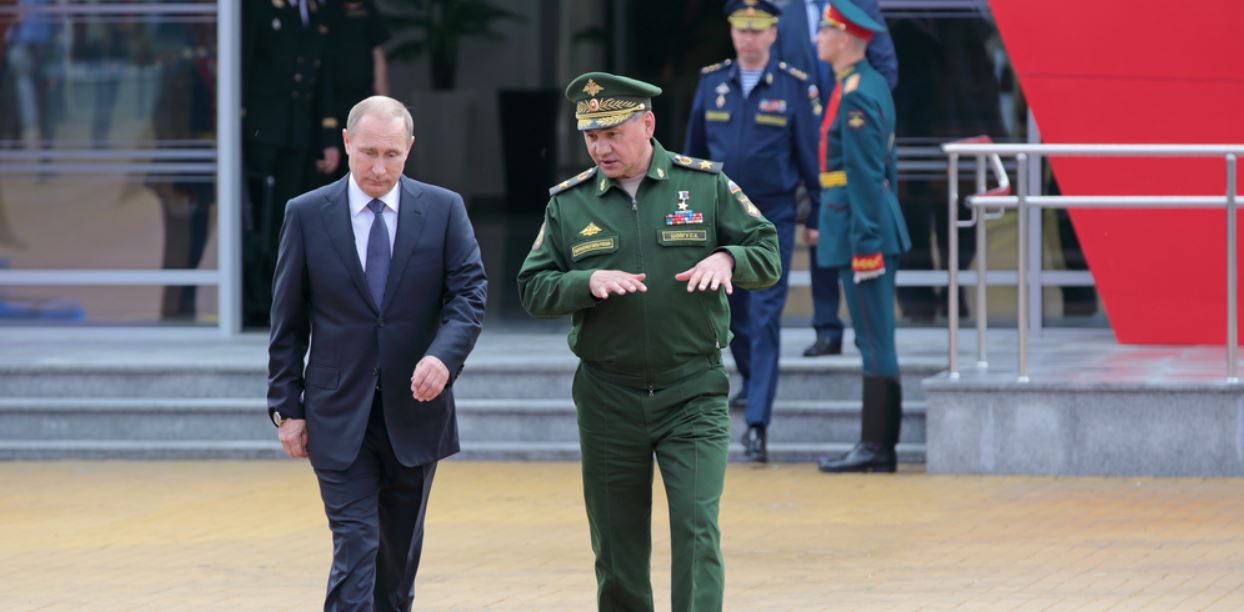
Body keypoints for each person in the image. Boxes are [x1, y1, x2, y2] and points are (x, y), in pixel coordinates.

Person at [517, 72, 780, 611]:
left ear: (648, 124)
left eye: (613, 133)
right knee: (616, 547)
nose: (601, 148)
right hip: (608, 396)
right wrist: (582, 283)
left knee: (696, 528)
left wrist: (728, 257)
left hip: (693, 391)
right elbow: (532, 288)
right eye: (591, 137)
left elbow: (768, 252)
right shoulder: (569, 205)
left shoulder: (704, 185)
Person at [267, 95, 487, 610]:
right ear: (346, 143)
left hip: (415, 413)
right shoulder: (305, 215)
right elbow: (287, 322)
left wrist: (443, 358)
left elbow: (469, 297)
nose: (378, 167)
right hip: (337, 413)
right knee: (356, 545)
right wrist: (287, 409)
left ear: (410, 149)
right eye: (368, 152)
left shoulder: (442, 209)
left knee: (396, 565)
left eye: (392, 154)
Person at [683, 0, 820, 463]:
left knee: (764, 318)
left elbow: (809, 160)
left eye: (758, 29)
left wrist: (816, 214)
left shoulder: (793, 87)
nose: (749, 38)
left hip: (771, 220)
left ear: (773, 33)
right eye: (741, 29)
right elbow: (693, 156)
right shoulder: (711, 82)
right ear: (731, 32)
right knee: (733, 316)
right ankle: (750, 383)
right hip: (720, 219)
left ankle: (758, 422)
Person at [810, 0, 911, 473]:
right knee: (873, 336)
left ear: (845, 39)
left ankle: (877, 447)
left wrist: (866, 243)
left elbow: (868, 174)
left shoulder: (855, 94)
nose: (818, 39)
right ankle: (877, 445)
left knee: (873, 338)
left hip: (861, 227)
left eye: (825, 31)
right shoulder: (860, 85)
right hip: (854, 220)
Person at [775, 0, 898, 357]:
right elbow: (782, 75)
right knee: (822, 230)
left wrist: (851, 108)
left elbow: (887, 71)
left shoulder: (861, 10)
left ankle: (856, 326)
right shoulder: (790, 13)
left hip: (853, 137)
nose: (819, 38)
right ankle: (826, 325)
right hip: (806, 137)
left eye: (826, 32)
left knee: (860, 229)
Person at [242, 0, 340, 327]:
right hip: (263, 131)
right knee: (262, 219)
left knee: (289, 218)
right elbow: (242, 63)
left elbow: (323, 76)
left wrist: (328, 138)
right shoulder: (257, 8)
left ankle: (284, 299)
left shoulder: (314, 11)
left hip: (299, 132)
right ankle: (257, 299)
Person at [306, 0, 390, 190]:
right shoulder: (322, 9)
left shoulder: (367, 8)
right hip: (325, 102)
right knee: (326, 170)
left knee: (361, 168)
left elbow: (378, 58)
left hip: (361, 102)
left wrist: (385, 108)